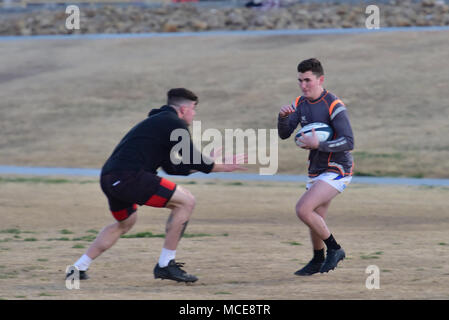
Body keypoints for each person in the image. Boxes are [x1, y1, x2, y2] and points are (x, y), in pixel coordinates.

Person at [66, 88, 247, 283]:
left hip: (111, 178)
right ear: (185, 109)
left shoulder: (160, 123)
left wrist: (209, 164)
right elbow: (193, 159)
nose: (194, 114)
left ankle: (78, 267)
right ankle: (165, 265)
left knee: (125, 223)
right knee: (186, 202)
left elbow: (174, 167)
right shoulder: (173, 123)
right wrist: (219, 165)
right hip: (129, 177)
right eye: (194, 109)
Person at [277, 58, 354, 276]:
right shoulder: (300, 103)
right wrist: (282, 118)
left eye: (308, 80)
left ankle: (335, 249)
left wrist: (318, 144)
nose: (303, 85)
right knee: (316, 215)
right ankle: (317, 259)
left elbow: (349, 141)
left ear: (320, 79)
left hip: (338, 168)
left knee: (303, 209)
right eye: (300, 80)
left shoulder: (333, 104)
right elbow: (284, 134)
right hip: (316, 168)